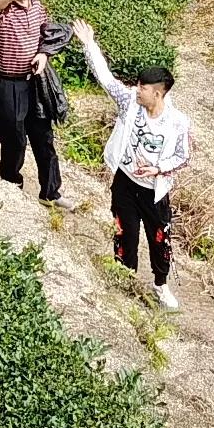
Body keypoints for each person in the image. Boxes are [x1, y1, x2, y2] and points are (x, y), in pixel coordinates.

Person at [76, 20, 192, 311]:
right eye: (137, 85)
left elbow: (183, 155)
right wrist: (89, 44)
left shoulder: (177, 123)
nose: (136, 90)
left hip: (154, 190)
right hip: (125, 182)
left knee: (160, 238)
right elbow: (106, 79)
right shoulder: (129, 102)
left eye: (143, 88)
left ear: (159, 93)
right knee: (124, 232)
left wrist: (159, 169)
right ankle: (124, 278)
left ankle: (160, 285)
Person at [0, 0, 62, 204]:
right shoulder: (2, 8)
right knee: (14, 137)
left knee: (44, 137)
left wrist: (44, 54)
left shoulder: (37, 5)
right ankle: (11, 183)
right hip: (8, 83)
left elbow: (46, 33)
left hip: (34, 82)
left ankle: (50, 193)